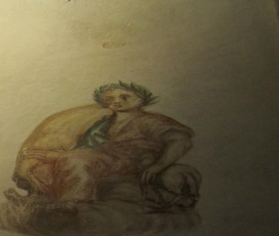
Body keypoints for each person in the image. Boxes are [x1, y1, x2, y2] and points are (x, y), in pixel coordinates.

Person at [11, 81, 200, 209]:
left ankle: (76, 206)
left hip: (131, 160)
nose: (116, 101)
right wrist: (55, 155)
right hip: (103, 158)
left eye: (125, 97)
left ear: (141, 100)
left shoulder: (149, 121)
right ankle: (39, 200)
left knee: (77, 162)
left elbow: (180, 140)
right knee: (45, 164)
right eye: (110, 99)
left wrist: (159, 165)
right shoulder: (103, 122)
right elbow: (91, 147)